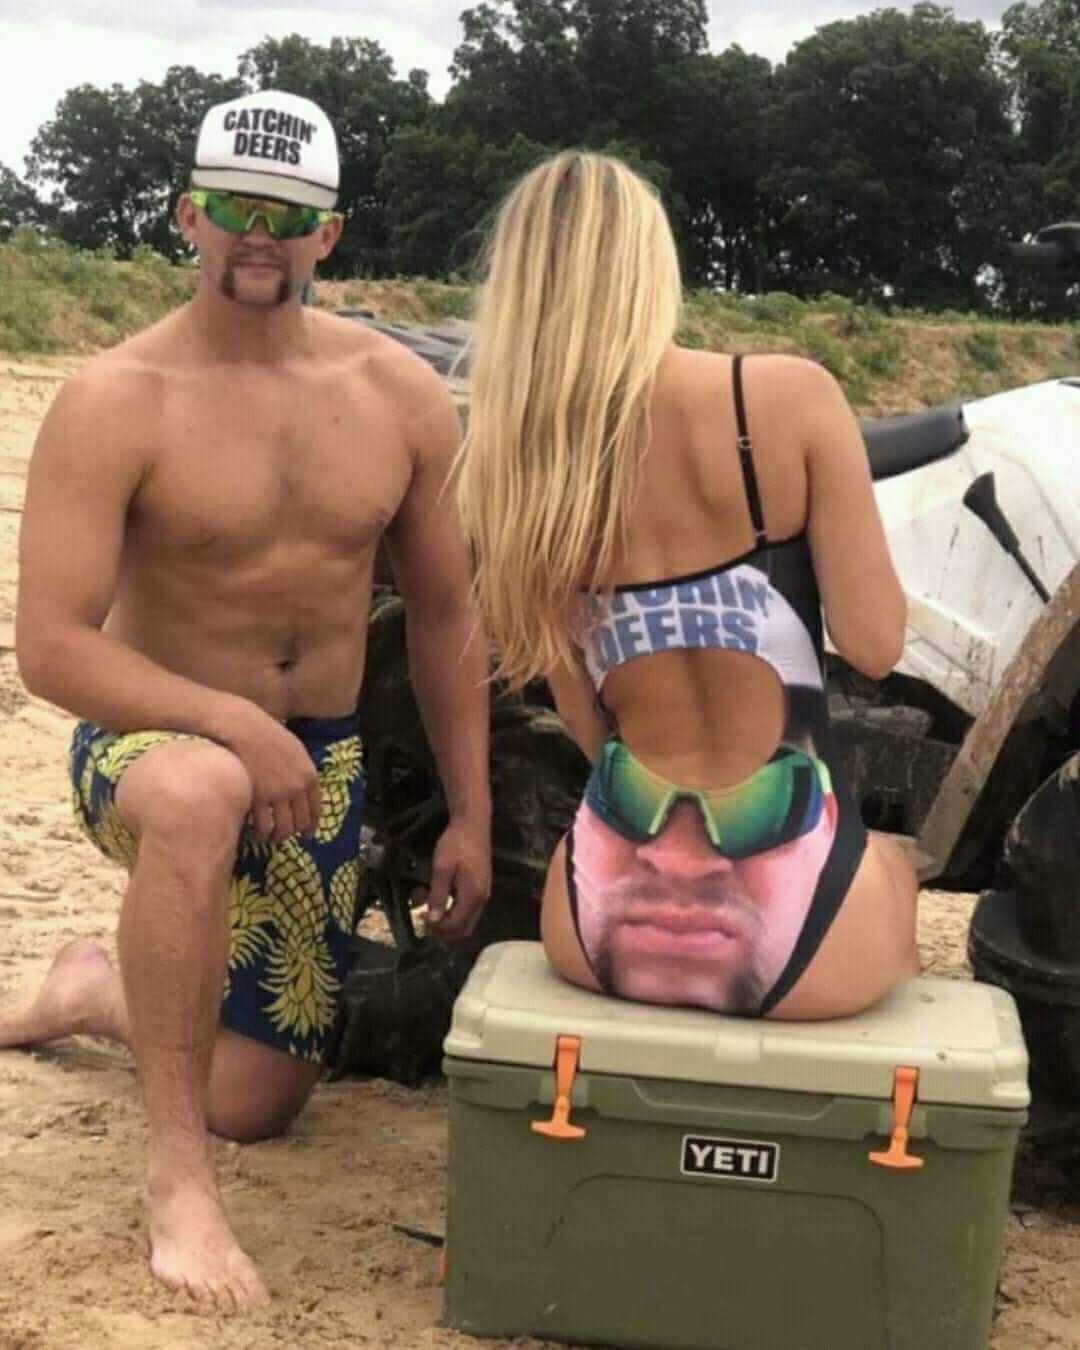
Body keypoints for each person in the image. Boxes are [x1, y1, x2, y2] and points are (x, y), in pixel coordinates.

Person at [2, 90, 491, 1313]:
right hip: (151, 742)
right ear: (187, 217)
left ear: (330, 235)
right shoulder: (119, 398)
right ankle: (176, 1186)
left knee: (257, 1104)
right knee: (203, 788)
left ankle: (93, 990)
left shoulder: (399, 395)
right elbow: (52, 648)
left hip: (318, 760)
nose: (257, 234)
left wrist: (473, 813)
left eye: (288, 213)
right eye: (233, 207)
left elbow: (442, 616)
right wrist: (231, 722)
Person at [454, 150, 917, 1023]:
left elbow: (593, 735)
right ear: (651, 265)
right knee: (892, 872)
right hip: (802, 935)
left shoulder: (514, 473)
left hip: (599, 923)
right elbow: (875, 646)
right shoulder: (785, 397)